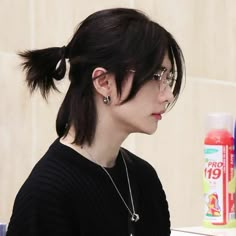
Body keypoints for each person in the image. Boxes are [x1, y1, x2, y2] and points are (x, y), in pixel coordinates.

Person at [7, 7, 185, 236]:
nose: (168, 94)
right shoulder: (47, 195)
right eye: (156, 76)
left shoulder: (143, 178)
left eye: (168, 78)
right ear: (103, 82)